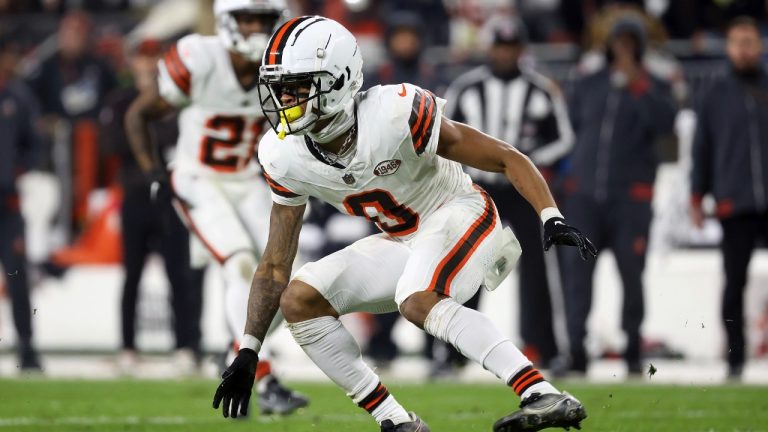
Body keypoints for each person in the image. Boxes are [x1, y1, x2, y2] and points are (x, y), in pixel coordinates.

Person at [213, 16, 596, 432]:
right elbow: (274, 264)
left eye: (298, 86)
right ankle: (395, 421)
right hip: (403, 238)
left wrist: (550, 215)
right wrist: (249, 348)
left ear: (338, 81)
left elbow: (505, 155)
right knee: (300, 301)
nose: (284, 99)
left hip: (460, 211)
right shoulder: (284, 154)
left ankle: (540, 392)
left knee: (417, 299)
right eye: (280, 87)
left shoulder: (395, 111)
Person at [125, 0, 308, 414]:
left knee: (286, 280)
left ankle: (236, 351)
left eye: (264, 19)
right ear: (227, 21)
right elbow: (138, 115)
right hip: (199, 179)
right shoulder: (199, 57)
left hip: (248, 182)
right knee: (242, 265)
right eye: (248, 18)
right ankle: (265, 378)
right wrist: (153, 172)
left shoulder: (279, 65)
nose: (257, 27)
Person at [437, 15, 574, 373]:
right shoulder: (467, 89)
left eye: (512, 47)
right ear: (489, 48)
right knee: (465, 268)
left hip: (522, 190)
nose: (505, 53)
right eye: (500, 46)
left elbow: (563, 139)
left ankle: (543, 347)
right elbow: (444, 138)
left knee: (537, 270)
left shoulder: (542, 90)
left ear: (522, 49)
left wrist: (529, 162)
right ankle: (453, 352)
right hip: (479, 190)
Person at [558, 15, 677, 377]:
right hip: (585, 198)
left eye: (630, 41)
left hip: (631, 200)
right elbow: (572, 128)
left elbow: (666, 124)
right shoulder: (589, 82)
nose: (623, 48)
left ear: (640, 46)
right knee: (577, 278)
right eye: (618, 41)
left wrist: (638, 83)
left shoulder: (655, 85)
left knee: (632, 276)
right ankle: (576, 350)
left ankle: (633, 351)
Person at [100, 40, 204, 374]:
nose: (147, 65)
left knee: (180, 276)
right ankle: (128, 347)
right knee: (132, 275)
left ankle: (185, 346)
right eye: (142, 58)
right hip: (135, 198)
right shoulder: (121, 102)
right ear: (133, 63)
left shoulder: (176, 100)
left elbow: (182, 141)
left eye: (152, 58)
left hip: (170, 199)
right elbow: (114, 144)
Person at [691, 16, 768, 379]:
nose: (744, 49)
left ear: (760, 45)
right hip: (733, 201)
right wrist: (697, 196)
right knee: (733, 281)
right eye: (738, 42)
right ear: (728, 47)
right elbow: (701, 149)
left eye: (750, 42)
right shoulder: (714, 94)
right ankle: (735, 359)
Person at [0, 33, 43, 372]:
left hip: (7, 204)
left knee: (16, 277)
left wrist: (17, 169)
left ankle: (27, 348)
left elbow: (36, 144)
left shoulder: (19, 97)